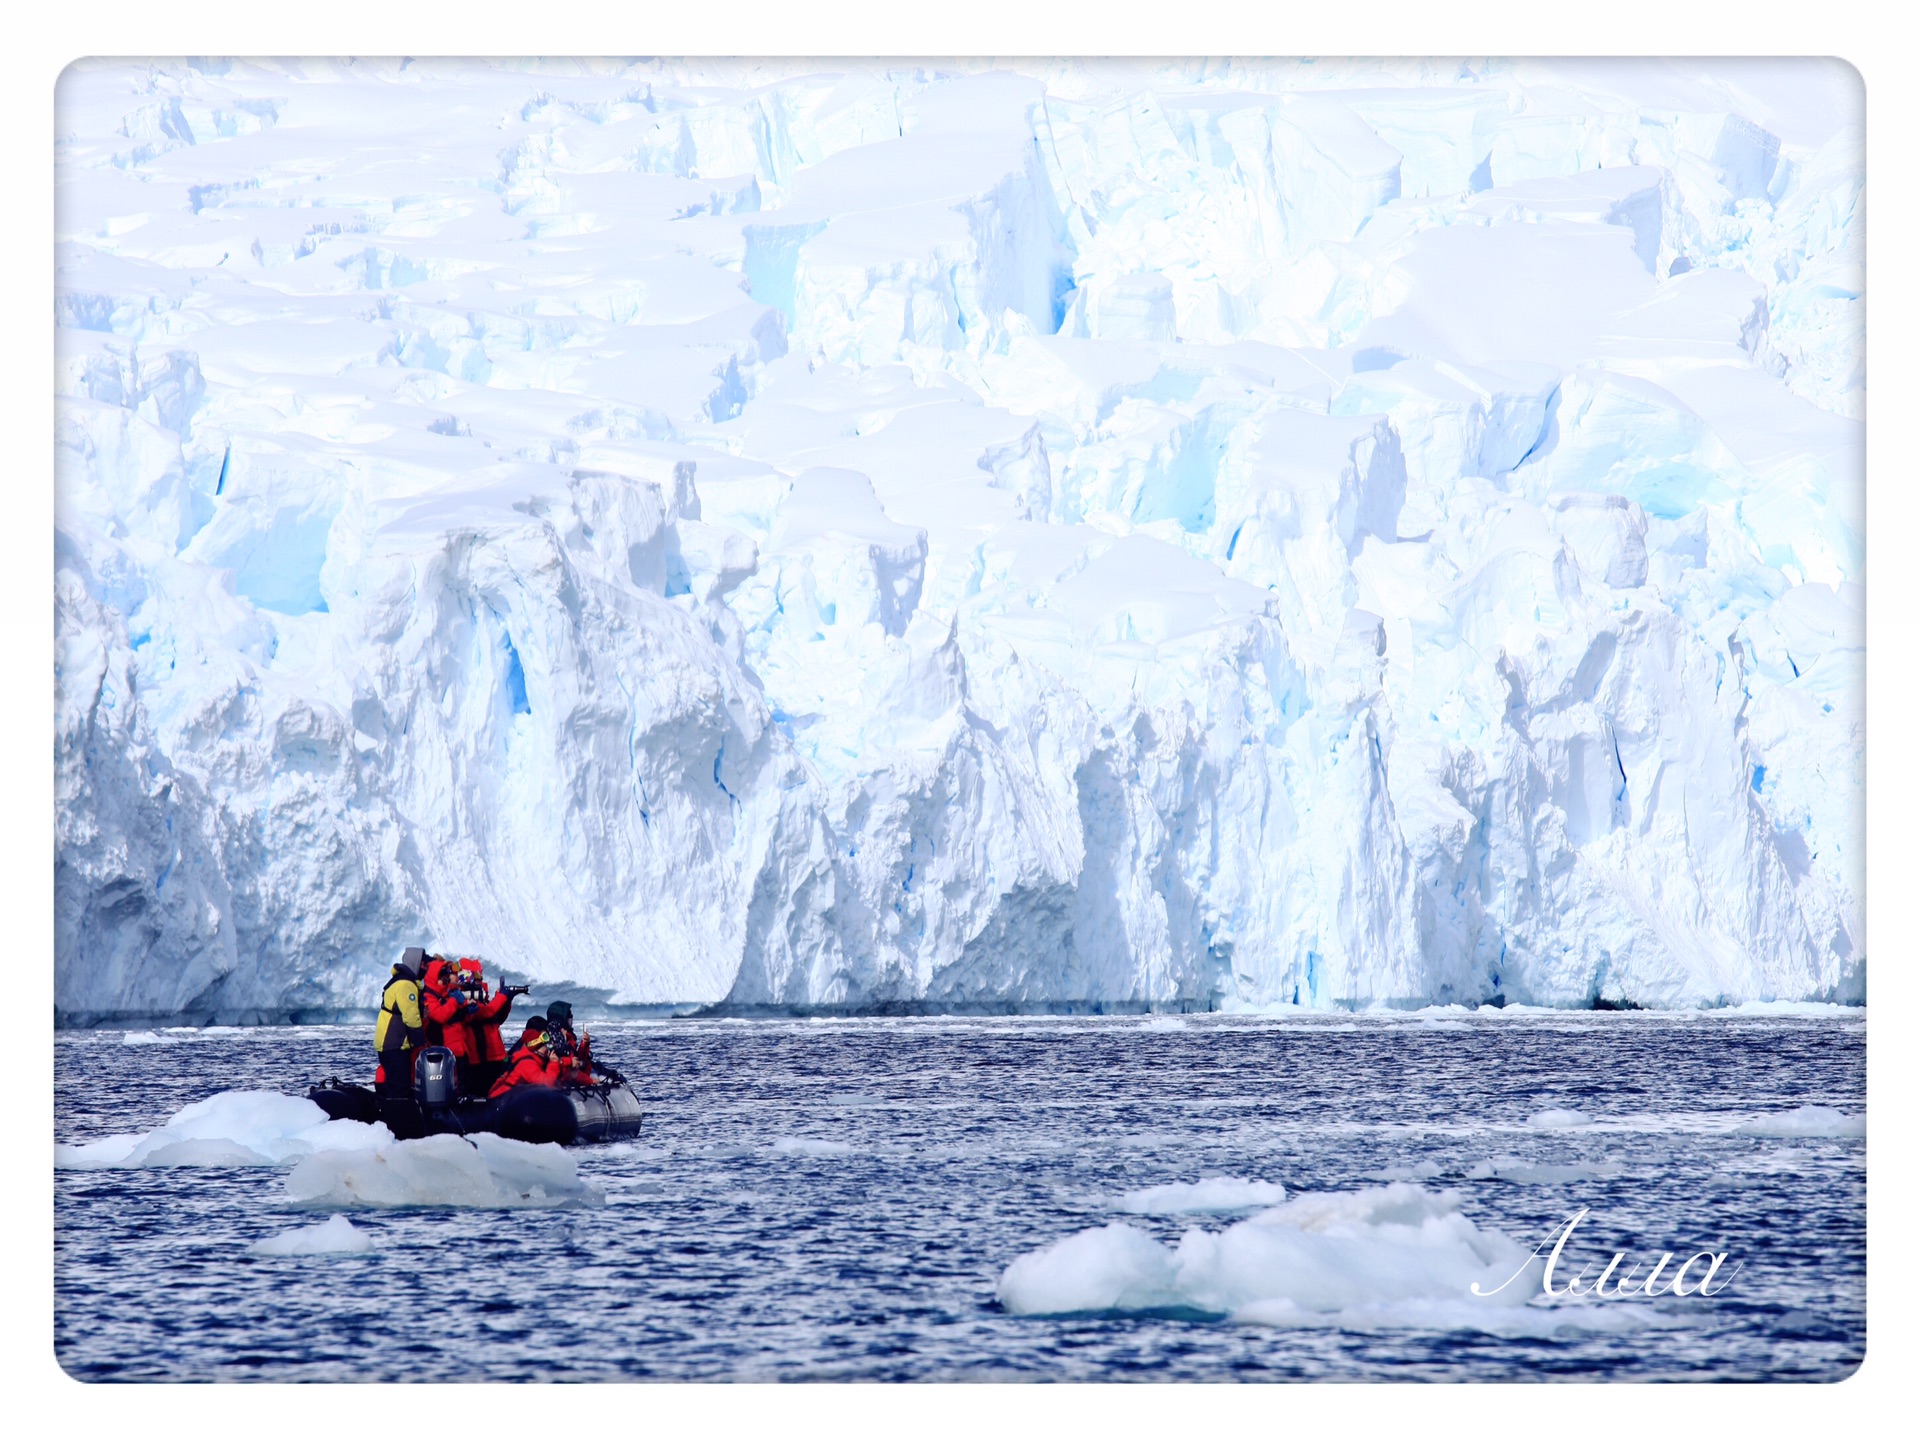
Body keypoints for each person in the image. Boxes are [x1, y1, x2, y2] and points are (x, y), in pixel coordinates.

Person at [456, 959, 521, 1097]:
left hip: (494, 1055)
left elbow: (496, 1019)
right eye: (477, 976)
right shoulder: (463, 1000)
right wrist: (503, 996)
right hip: (478, 1058)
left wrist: (506, 1001)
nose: (480, 980)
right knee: (481, 1092)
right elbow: (487, 1012)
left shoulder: (481, 998)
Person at [373, 947, 426, 1098]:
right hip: (394, 1042)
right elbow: (411, 1016)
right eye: (423, 964)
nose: (425, 968)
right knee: (400, 1085)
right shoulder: (406, 985)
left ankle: (392, 1112)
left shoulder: (400, 981)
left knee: (396, 1082)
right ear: (415, 963)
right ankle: (398, 1118)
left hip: (389, 1042)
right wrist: (420, 1041)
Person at [489, 1017, 562, 1098]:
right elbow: (546, 1084)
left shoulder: (534, 1059)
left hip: (512, 1097)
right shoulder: (526, 1063)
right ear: (536, 1047)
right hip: (502, 1099)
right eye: (545, 1045)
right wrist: (554, 1063)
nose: (548, 1049)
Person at [543, 999, 595, 1085]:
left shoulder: (568, 1035)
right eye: (569, 1016)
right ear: (561, 1018)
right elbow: (570, 1070)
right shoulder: (556, 1038)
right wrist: (590, 1081)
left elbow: (576, 1058)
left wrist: (585, 1044)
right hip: (561, 1081)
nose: (571, 1018)